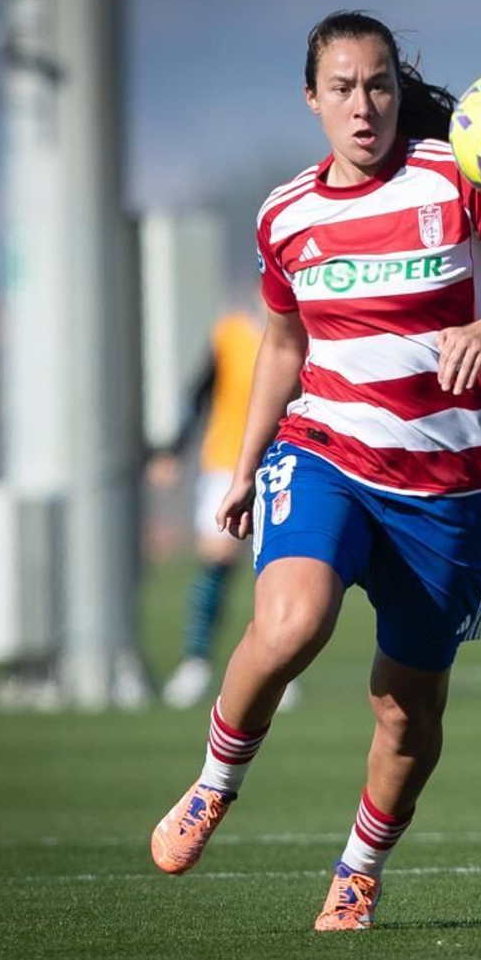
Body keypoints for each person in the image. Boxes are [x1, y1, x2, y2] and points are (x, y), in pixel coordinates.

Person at [148, 10, 481, 932]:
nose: (364, 105)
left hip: (446, 483)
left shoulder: (461, 178)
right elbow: (282, 345)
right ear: (312, 98)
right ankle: (215, 782)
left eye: (380, 85)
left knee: (404, 710)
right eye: (343, 87)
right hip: (324, 451)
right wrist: (242, 468)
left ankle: (358, 869)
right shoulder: (285, 215)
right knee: (292, 624)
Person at [150, 305, 306, 712]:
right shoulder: (229, 333)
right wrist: (173, 450)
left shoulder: (307, 327)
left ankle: (278, 667)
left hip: (285, 463)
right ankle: (196, 662)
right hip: (226, 463)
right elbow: (198, 395)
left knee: (279, 567)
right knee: (217, 560)